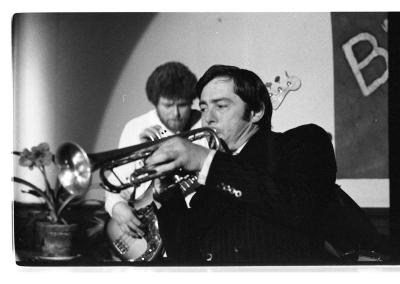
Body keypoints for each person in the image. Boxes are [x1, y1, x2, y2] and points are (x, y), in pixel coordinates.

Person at [143, 64, 387, 264]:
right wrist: (167, 192)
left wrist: (206, 161)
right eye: (204, 107)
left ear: (257, 111)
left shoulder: (302, 142)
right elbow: (184, 256)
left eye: (221, 106)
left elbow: (298, 207)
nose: (208, 117)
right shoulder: (211, 182)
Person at [104, 61, 202, 241]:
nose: (176, 114)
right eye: (168, 105)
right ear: (155, 102)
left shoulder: (205, 125)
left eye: (183, 105)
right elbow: (115, 184)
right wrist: (117, 207)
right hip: (149, 231)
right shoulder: (136, 127)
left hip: (195, 228)